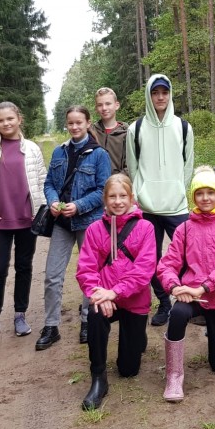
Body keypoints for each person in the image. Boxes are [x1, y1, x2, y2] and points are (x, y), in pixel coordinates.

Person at [156, 166, 215, 403]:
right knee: (177, 312)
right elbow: (167, 264)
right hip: (191, 297)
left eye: (210, 192)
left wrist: (202, 287)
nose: (205, 198)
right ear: (193, 196)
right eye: (200, 193)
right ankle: (174, 376)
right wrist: (174, 287)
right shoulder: (184, 228)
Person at [74, 174, 156, 410]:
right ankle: (98, 377)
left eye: (123, 196)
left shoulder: (146, 228)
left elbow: (144, 270)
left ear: (131, 198)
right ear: (105, 199)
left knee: (128, 370)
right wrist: (99, 293)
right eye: (112, 196)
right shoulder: (93, 230)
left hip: (134, 300)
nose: (118, 202)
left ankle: (138, 335)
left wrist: (115, 292)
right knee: (95, 313)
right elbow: (86, 269)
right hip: (105, 297)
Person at [37, 106, 111, 351]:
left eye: (79, 122)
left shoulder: (99, 155)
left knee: (91, 274)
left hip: (89, 223)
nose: (75, 127)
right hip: (61, 223)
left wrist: (78, 206)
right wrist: (52, 201)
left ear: (88, 123)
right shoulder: (59, 151)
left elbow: (103, 190)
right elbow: (49, 183)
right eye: (71, 123)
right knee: (52, 275)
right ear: (66, 124)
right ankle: (51, 326)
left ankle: (88, 321)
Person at [0, 101, 47, 341]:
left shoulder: (32, 149)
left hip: (27, 220)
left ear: (19, 119)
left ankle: (20, 314)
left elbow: (42, 181)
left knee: (24, 267)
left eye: (10, 119)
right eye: (1, 120)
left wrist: (41, 211)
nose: (6, 123)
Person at [125, 74, 194, 327]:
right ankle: (164, 302)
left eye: (165, 92)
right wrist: (140, 194)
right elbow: (133, 167)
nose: (160, 97)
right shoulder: (136, 129)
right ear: (149, 95)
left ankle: (186, 301)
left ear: (170, 94)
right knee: (150, 259)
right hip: (147, 207)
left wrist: (179, 190)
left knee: (188, 256)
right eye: (155, 93)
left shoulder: (183, 127)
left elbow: (188, 164)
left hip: (176, 205)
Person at [89, 87, 129, 176]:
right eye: (100, 105)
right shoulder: (91, 132)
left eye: (108, 104)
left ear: (117, 105)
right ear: (96, 108)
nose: (104, 108)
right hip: (95, 183)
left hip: (119, 182)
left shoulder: (127, 133)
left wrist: (116, 181)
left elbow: (131, 164)